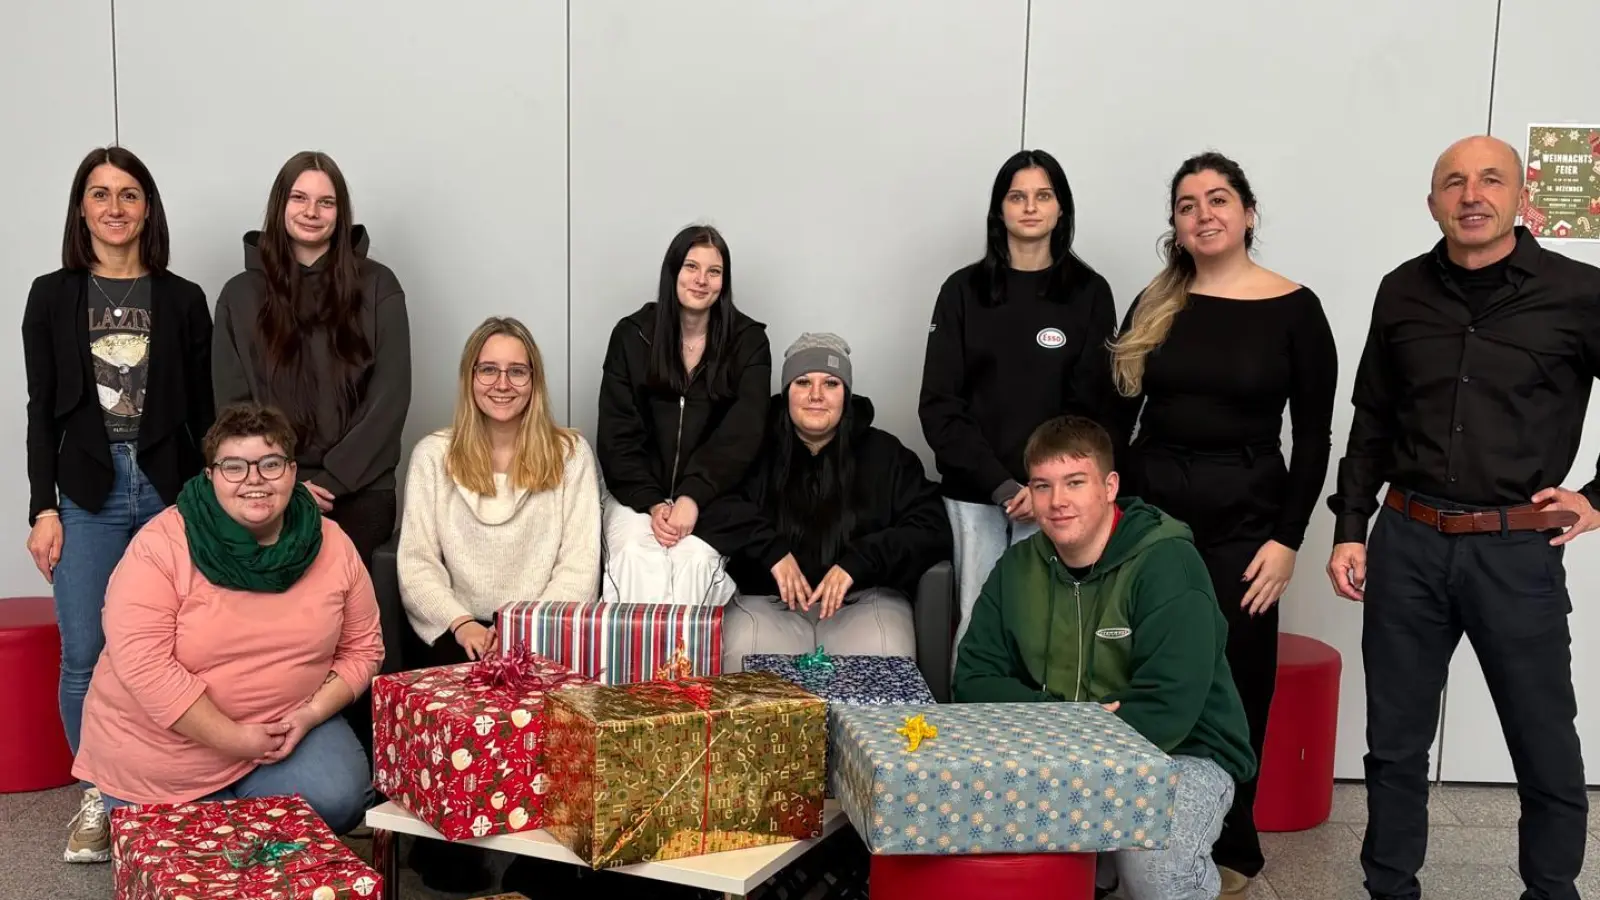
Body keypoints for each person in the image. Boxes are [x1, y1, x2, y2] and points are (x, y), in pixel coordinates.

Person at [1326, 135, 1599, 900]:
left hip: (1516, 550)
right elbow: (1372, 417)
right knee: (1395, 745)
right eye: (1453, 182)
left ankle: (1551, 891)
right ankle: (1390, 888)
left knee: (1545, 741)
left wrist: (1597, 499)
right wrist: (1351, 526)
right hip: (1407, 541)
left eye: (1489, 181)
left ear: (1521, 198)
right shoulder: (1402, 289)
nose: (1470, 194)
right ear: (1433, 202)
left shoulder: (1579, 293)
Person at [1108, 152, 1337, 893]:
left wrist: (1289, 541)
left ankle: (1232, 847)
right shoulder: (1154, 300)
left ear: (1247, 213)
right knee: (1141, 671)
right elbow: (1116, 421)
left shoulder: (1296, 308)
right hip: (1150, 520)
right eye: (1186, 204)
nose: (1203, 214)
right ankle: (1133, 833)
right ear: (1174, 225)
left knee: (1236, 679)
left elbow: (1315, 439)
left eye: (1217, 199)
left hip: (1248, 524)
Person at [953, 415, 1254, 900]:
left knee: (1156, 874)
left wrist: (1074, 744)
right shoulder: (1017, 568)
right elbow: (972, 680)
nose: (1058, 502)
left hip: (1183, 752)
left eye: (1075, 483)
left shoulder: (1167, 563)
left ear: (1109, 486)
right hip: (1056, 748)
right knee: (971, 840)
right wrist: (1073, 722)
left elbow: (1168, 706)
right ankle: (1100, 862)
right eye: (1043, 486)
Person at [21, 146, 215, 863]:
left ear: (147, 209)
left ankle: (171, 784)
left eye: (129, 194)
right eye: (99, 194)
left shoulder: (183, 298)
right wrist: (43, 507)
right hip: (90, 491)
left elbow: (206, 410)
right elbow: (42, 410)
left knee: (181, 646)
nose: (114, 207)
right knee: (87, 653)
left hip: (169, 488)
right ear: (81, 209)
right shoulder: (50, 295)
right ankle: (101, 794)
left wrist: (210, 504)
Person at [74, 403, 383, 836]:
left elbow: (363, 649)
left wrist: (311, 714)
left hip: (284, 732)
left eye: (270, 464)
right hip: (163, 749)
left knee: (338, 797)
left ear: (293, 472)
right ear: (211, 476)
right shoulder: (161, 545)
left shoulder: (332, 544)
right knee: (203, 850)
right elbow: (143, 665)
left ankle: (254, 822)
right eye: (234, 466)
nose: (254, 480)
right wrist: (233, 739)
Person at [396, 316, 601, 893]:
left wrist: (524, 633)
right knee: (449, 874)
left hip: (541, 633)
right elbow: (416, 562)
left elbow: (580, 564)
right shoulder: (434, 456)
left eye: (517, 370)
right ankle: (453, 849)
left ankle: (540, 864)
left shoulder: (571, 454)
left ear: (534, 381)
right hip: (455, 633)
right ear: (470, 377)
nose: (502, 383)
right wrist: (463, 623)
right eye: (489, 369)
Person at [212, 150, 410, 746]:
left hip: (360, 489)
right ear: (280, 206)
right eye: (300, 199)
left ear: (340, 212)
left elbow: (391, 396)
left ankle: (360, 752)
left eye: (326, 201)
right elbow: (233, 406)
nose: (312, 211)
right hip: (268, 487)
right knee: (269, 603)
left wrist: (336, 477)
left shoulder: (378, 286)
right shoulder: (240, 295)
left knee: (346, 609)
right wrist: (285, 480)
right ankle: (273, 737)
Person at [919, 149, 1119, 663]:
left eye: (1043, 195)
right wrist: (1004, 485)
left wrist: (1046, 486)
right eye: (1017, 196)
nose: (1030, 207)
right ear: (1000, 210)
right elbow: (940, 407)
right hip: (977, 497)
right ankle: (970, 738)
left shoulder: (1089, 294)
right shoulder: (962, 292)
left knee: (1053, 633)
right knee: (979, 629)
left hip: (1059, 498)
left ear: (1060, 209)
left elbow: (1092, 408)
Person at [720, 333, 951, 670]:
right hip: (766, 602)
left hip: (864, 601)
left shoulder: (888, 456)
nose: (816, 395)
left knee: (884, 657)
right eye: (802, 382)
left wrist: (859, 562)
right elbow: (717, 509)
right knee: (747, 661)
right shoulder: (750, 450)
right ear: (786, 393)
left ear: (847, 393)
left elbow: (932, 528)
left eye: (830, 383)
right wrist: (771, 551)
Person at [596, 224, 771, 606]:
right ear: (673, 271)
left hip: (716, 497)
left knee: (691, 563)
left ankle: (688, 669)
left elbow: (744, 433)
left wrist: (693, 496)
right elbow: (617, 435)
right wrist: (655, 502)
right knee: (637, 561)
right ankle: (635, 668)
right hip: (635, 495)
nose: (701, 280)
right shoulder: (632, 336)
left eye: (714, 271)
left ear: (724, 281)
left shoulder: (749, 342)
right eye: (692, 267)